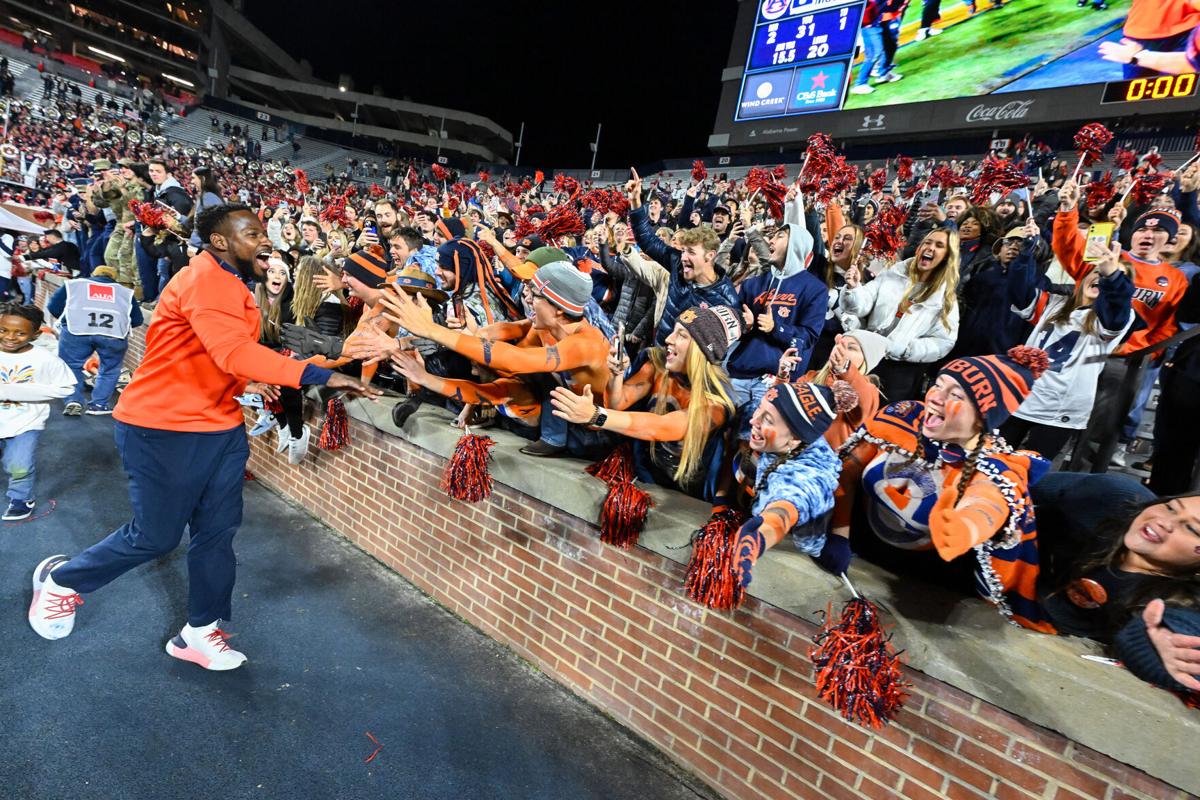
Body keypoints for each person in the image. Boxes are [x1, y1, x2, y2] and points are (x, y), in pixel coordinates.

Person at [27, 203, 377, 670]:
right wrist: (323, 374)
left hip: (220, 425)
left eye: (262, 232)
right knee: (155, 537)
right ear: (219, 241)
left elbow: (230, 351)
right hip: (162, 427)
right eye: (252, 234)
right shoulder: (206, 279)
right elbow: (234, 352)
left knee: (217, 533)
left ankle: (199, 630)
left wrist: (314, 356)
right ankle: (63, 582)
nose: (265, 240)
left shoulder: (230, 282)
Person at [826, 347, 1054, 630]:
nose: (935, 397)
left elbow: (987, 503)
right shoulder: (904, 416)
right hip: (858, 552)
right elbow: (847, 473)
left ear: (984, 416)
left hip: (917, 586)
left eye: (956, 396)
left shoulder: (996, 467)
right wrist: (839, 535)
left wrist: (966, 527)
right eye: (938, 384)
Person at [1031, 472, 1200, 693]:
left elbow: (1179, 633)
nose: (1166, 522)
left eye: (1191, 529)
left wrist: (1150, 646)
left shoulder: (1181, 603)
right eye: (1171, 507)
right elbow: (1015, 480)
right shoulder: (1110, 496)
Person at [548, 305, 740, 498]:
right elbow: (617, 404)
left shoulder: (717, 403)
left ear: (701, 350)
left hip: (683, 495)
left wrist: (595, 416)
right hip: (644, 476)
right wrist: (617, 376)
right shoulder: (657, 363)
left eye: (682, 335)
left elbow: (661, 427)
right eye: (673, 331)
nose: (668, 339)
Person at [1001, 239, 1134, 461]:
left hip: (1058, 410)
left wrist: (1112, 279)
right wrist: (1026, 253)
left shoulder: (1115, 318)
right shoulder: (1054, 304)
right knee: (991, 461)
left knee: (1029, 475)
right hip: (1022, 396)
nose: (1100, 276)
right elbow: (1018, 290)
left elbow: (1116, 307)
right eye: (1097, 270)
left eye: (1109, 273)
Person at [726, 380, 855, 591]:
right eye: (760, 409)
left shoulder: (809, 472)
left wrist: (760, 537)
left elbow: (786, 508)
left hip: (817, 540)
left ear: (795, 439)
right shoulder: (763, 423)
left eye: (767, 420)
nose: (753, 420)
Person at [839, 227, 961, 400]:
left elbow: (943, 342)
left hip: (898, 374)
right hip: (866, 356)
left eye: (939, 245)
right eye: (927, 242)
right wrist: (853, 288)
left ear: (947, 257)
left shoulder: (945, 299)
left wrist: (904, 349)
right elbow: (864, 302)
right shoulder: (893, 273)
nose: (930, 248)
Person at [0, 303, 76, 521]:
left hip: (25, 423)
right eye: (3, 330)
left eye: (20, 333)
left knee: (19, 464)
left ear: (34, 334)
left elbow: (67, 387)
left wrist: (14, 392)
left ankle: (21, 498)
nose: (10, 337)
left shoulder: (45, 359)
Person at [46, 265, 144, 416]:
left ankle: (73, 399)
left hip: (76, 331)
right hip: (113, 335)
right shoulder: (125, 293)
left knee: (71, 366)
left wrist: (69, 320)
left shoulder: (74, 285)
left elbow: (53, 307)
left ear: (92, 274)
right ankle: (99, 405)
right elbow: (137, 320)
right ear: (114, 278)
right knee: (110, 370)